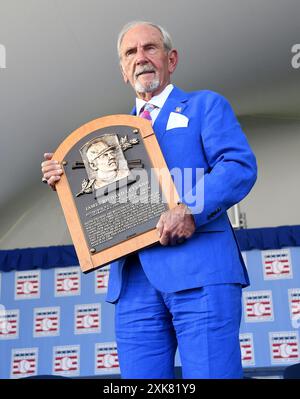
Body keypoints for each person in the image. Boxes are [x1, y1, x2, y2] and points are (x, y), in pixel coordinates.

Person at [41, 21, 257, 379]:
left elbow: (238, 167)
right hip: (133, 282)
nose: (140, 58)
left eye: (150, 48)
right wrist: (65, 180)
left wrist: (189, 209)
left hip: (201, 273)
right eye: (130, 52)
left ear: (171, 59)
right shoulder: (106, 137)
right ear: (124, 71)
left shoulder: (205, 106)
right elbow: (100, 201)